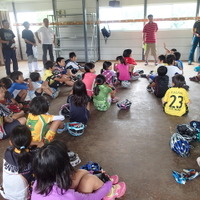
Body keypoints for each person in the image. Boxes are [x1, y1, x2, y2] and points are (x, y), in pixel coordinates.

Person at [31, 140, 126, 200]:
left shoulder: (38, 183)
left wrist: (93, 172)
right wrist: (108, 184)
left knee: (82, 173)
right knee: (89, 180)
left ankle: (99, 179)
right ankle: (110, 192)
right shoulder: (68, 196)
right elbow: (92, 197)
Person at [0, 125, 35, 200]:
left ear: (10, 142)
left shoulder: (8, 152)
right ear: (31, 140)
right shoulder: (34, 155)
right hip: (24, 195)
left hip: (7, 192)